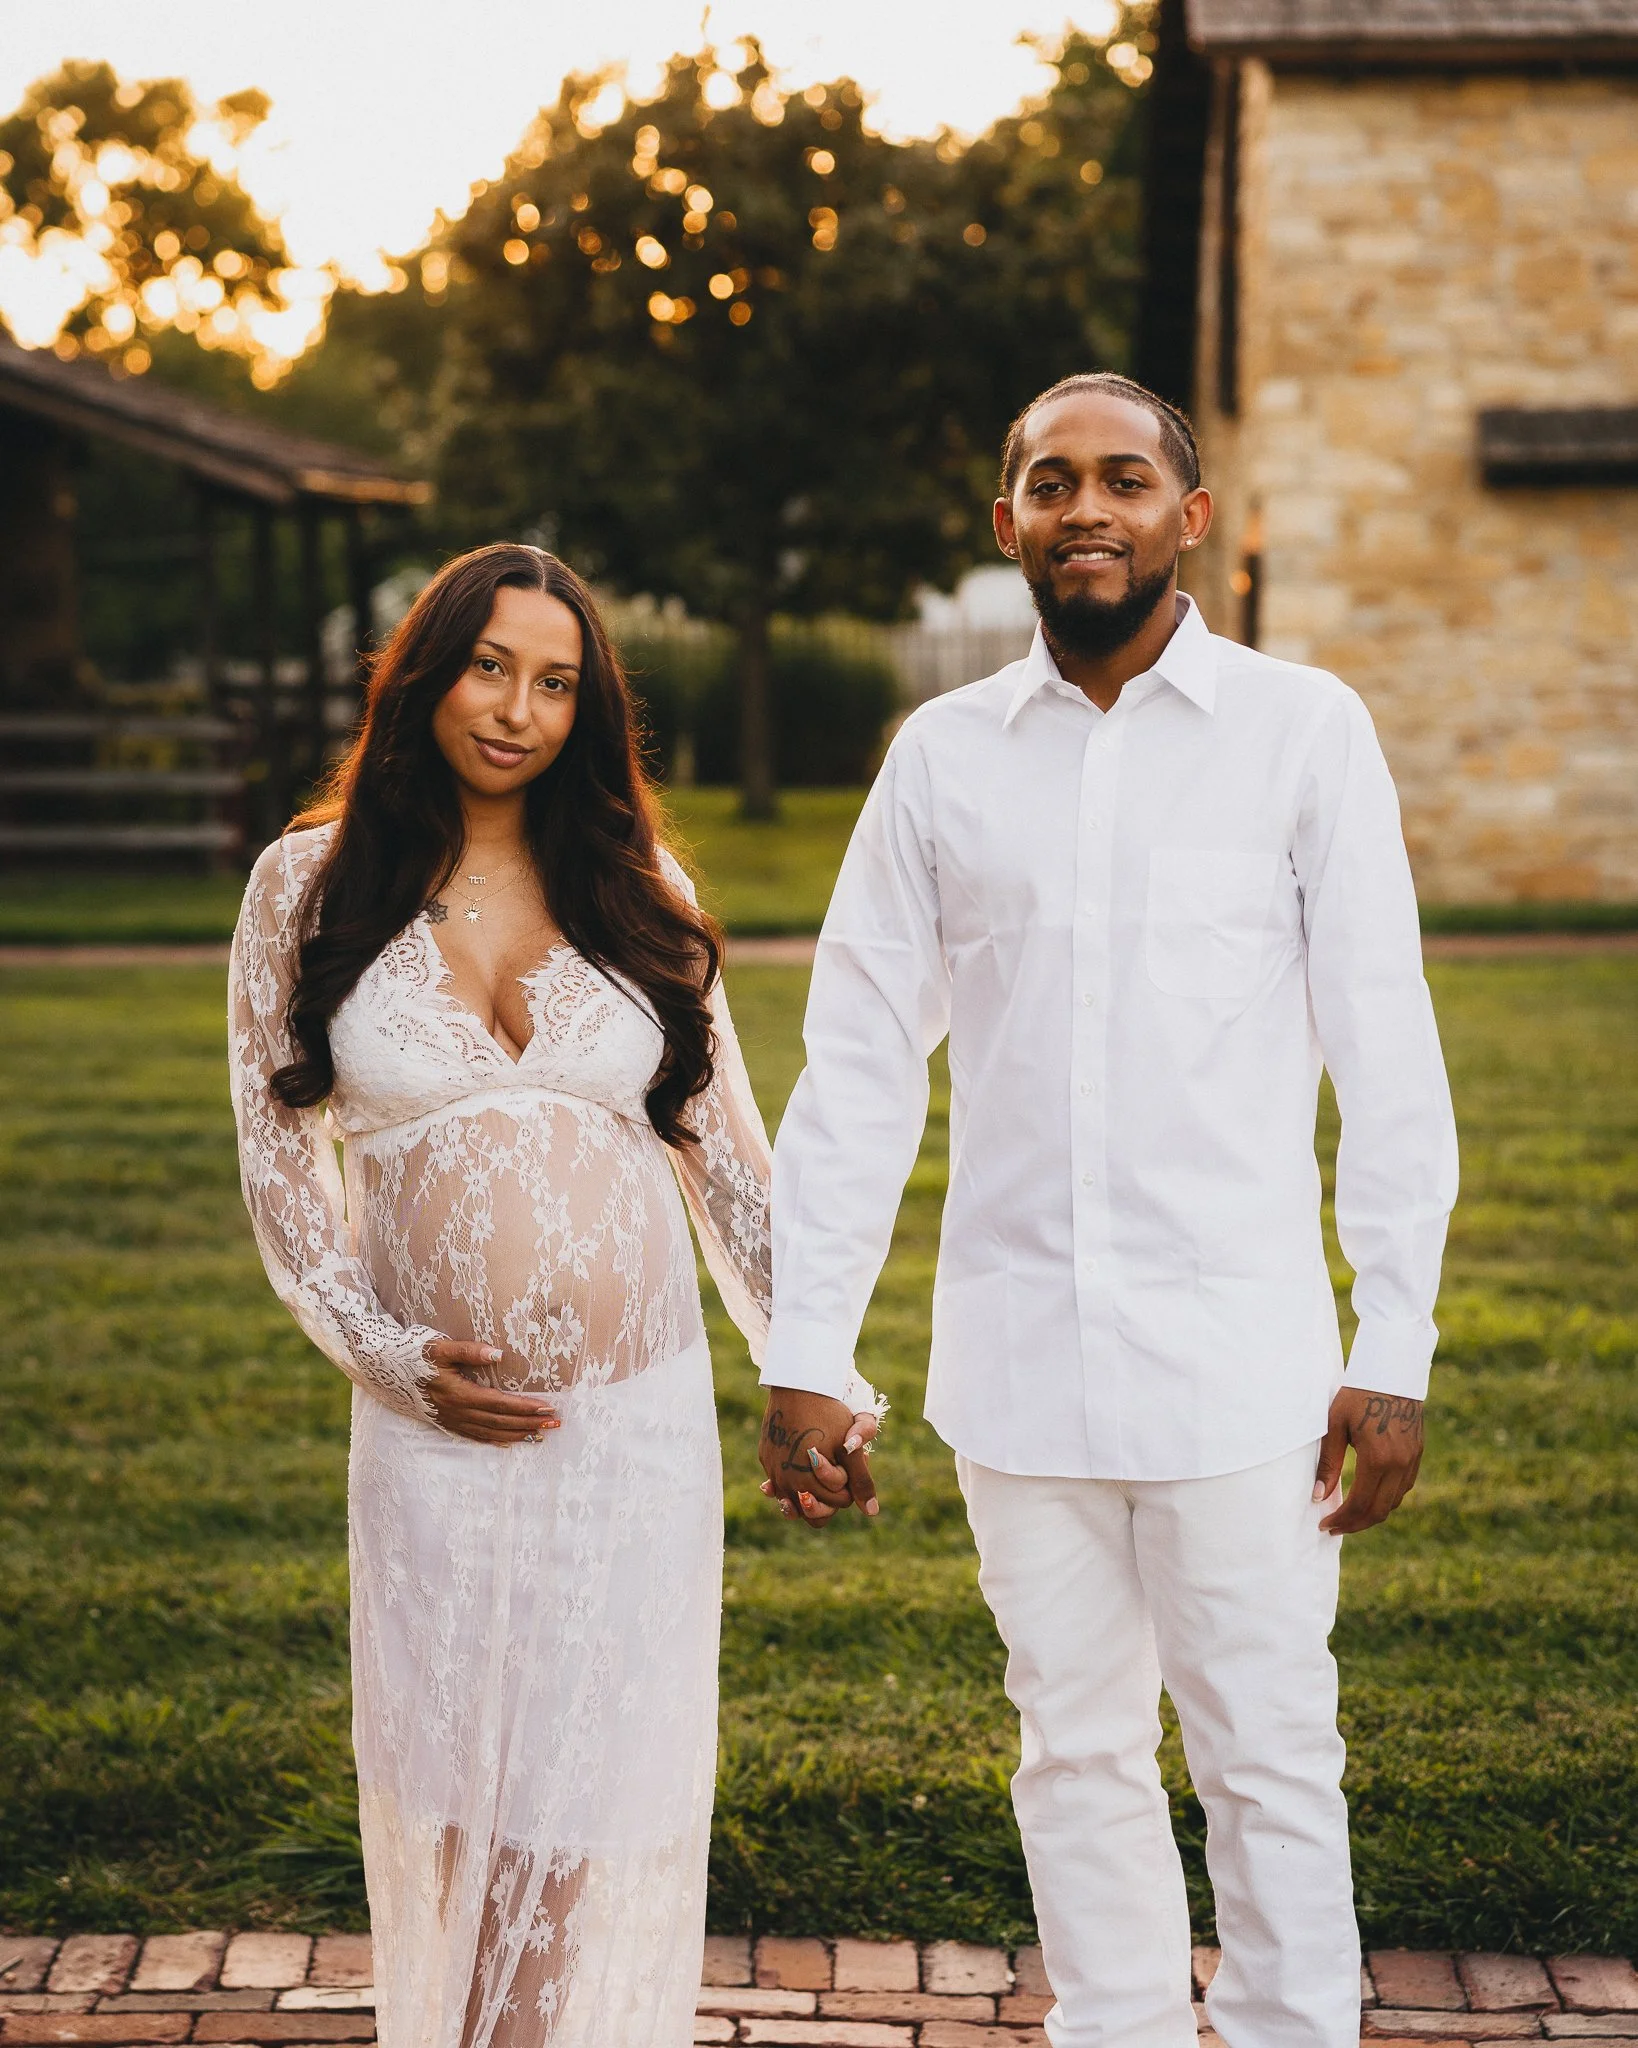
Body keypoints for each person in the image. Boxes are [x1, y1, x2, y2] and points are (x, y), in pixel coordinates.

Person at [755, 375, 1459, 2048]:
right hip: (1018, 1368)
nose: (1087, 508)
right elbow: (856, 1066)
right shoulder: (938, 761)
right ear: (1006, 522)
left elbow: (1387, 1049)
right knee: (1068, 1748)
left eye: (1123, 479)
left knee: (1267, 1749)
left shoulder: (1303, 731)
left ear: (1185, 517)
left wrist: (1397, 1341)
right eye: (1049, 481)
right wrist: (809, 1351)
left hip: (1245, 1372)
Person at [228, 543, 877, 2048]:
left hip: (633, 1437)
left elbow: (730, 1169)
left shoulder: (639, 888)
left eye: (557, 682)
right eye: (489, 667)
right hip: (440, 1434)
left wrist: (816, 1373)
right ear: (426, 672)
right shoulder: (303, 887)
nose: (518, 708)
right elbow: (280, 1184)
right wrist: (391, 1360)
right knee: (457, 1787)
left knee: (579, 1802)